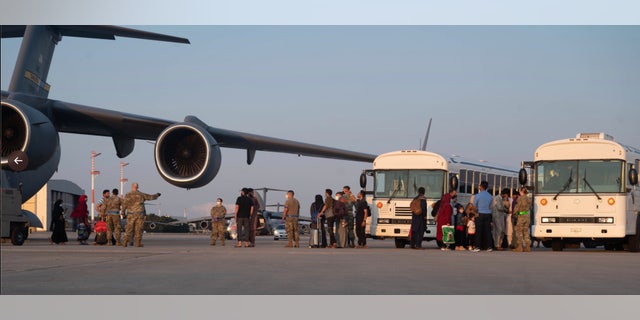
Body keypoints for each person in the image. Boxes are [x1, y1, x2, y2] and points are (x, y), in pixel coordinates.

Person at [122, 182, 161, 247]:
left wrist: (123, 213)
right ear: (137, 187)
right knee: (139, 229)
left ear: (132, 187)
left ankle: (125, 242)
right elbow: (150, 197)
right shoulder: (141, 195)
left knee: (128, 229)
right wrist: (157, 195)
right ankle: (138, 243)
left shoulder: (127, 195)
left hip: (130, 215)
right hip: (139, 215)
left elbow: (124, 205)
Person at [472, 181, 494, 252]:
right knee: (488, 231)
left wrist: (475, 212)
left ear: (481, 186)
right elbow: (491, 206)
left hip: (480, 214)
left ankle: (477, 246)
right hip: (488, 214)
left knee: (478, 231)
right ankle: (489, 246)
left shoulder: (477, 196)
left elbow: (474, 207)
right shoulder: (490, 196)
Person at [512, 187, 532, 252]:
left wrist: (514, 214)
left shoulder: (520, 198)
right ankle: (527, 247)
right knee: (526, 231)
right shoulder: (529, 199)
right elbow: (530, 207)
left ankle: (520, 247)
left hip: (521, 216)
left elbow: (517, 208)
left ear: (521, 191)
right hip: (527, 216)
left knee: (519, 231)